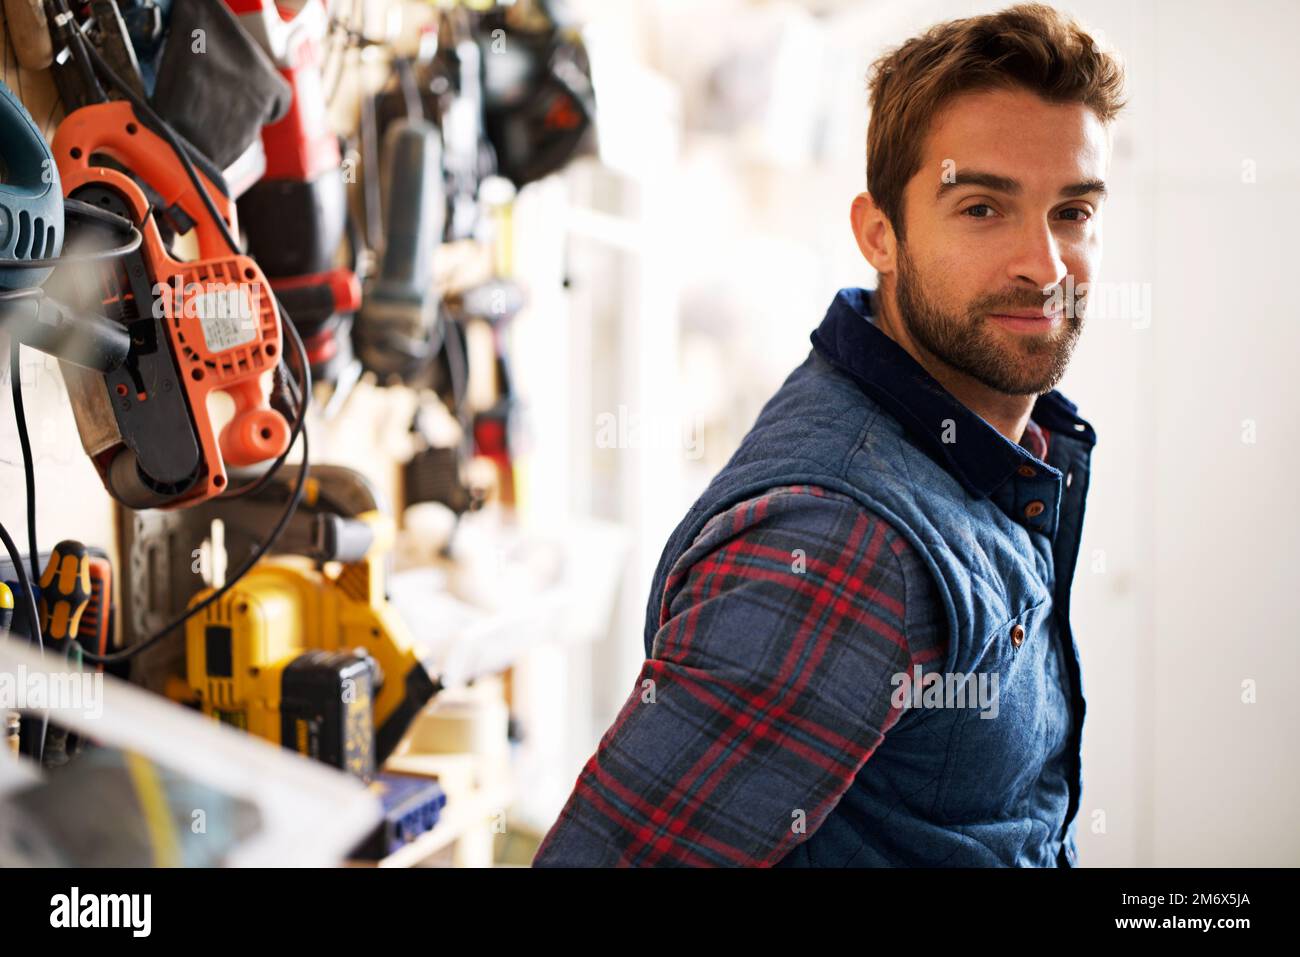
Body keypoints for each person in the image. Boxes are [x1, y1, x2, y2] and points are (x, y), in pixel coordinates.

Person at [534, 2, 1125, 867]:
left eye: (1071, 211)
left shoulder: (983, 459)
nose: (1043, 265)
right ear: (879, 233)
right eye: (982, 209)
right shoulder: (849, 540)